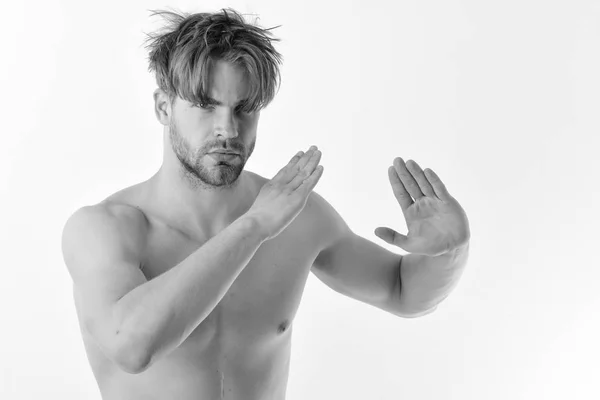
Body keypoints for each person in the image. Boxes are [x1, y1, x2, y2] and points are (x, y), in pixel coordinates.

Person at [60, 8, 471, 400]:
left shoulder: (297, 216)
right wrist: (254, 227)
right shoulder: (105, 229)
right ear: (163, 107)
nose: (227, 129)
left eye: (244, 109)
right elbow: (132, 347)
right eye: (205, 106)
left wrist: (450, 251)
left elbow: (403, 292)